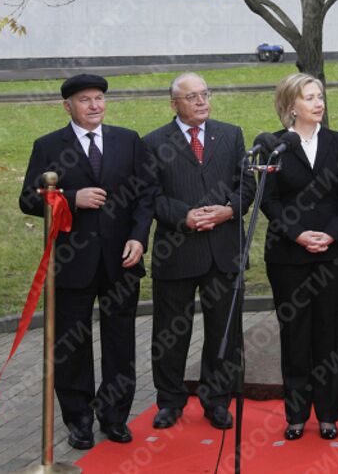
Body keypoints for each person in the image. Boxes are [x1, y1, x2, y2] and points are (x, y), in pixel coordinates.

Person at [19, 73, 157, 450]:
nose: (95, 105)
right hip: (73, 264)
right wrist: (70, 196)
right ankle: (78, 419)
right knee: (73, 344)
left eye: (99, 98)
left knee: (119, 342)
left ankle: (114, 416)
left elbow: (146, 195)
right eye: (85, 100)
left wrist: (138, 238)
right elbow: (29, 198)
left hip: (121, 261)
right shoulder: (49, 146)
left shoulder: (127, 141)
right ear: (68, 106)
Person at [144, 73, 256, 431]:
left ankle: (217, 399)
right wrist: (184, 217)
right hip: (177, 250)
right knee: (170, 333)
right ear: (174, 103)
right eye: (191, 97)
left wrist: (229, 209)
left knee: (224, 331)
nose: (201, 101)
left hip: (223, 249)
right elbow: (149, 197)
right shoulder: (153, 142)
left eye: (204, 94)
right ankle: (170, 401)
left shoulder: (232, 134)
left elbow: (247, 185)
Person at [260, 73, 338, 441]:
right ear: (291, 106)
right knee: (295, 334)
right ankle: (297, 413)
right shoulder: (273, 146)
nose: (318, 103)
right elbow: (269, 200)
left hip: (333, 254)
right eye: (309, 97)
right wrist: (298, 234)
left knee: (329, 335)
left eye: (320, 96)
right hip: (289, 256)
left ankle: (329, 414)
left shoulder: (337, 142)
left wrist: (330, 234)